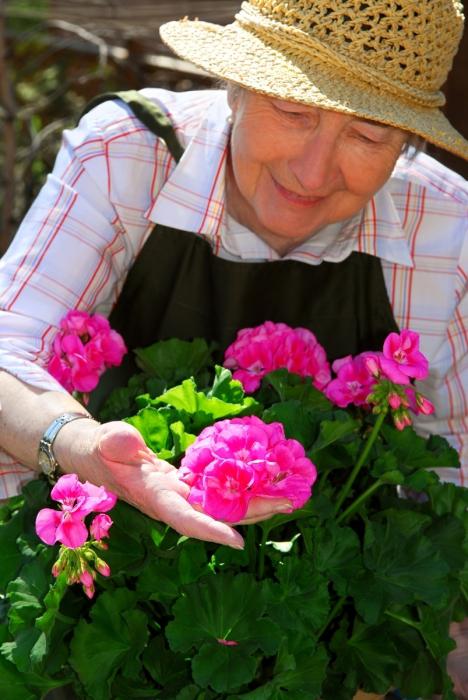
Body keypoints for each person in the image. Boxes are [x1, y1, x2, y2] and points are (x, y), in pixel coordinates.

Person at [0, 0, 467, 694]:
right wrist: (85, 451)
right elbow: (7, 355)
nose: (313, 172)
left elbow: (454, 467)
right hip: (88, 608)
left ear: (406, 143)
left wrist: (398, 654)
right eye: (294, 112)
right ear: (237, 87)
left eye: (367, 134)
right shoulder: (129, 153)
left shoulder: (450, 230)